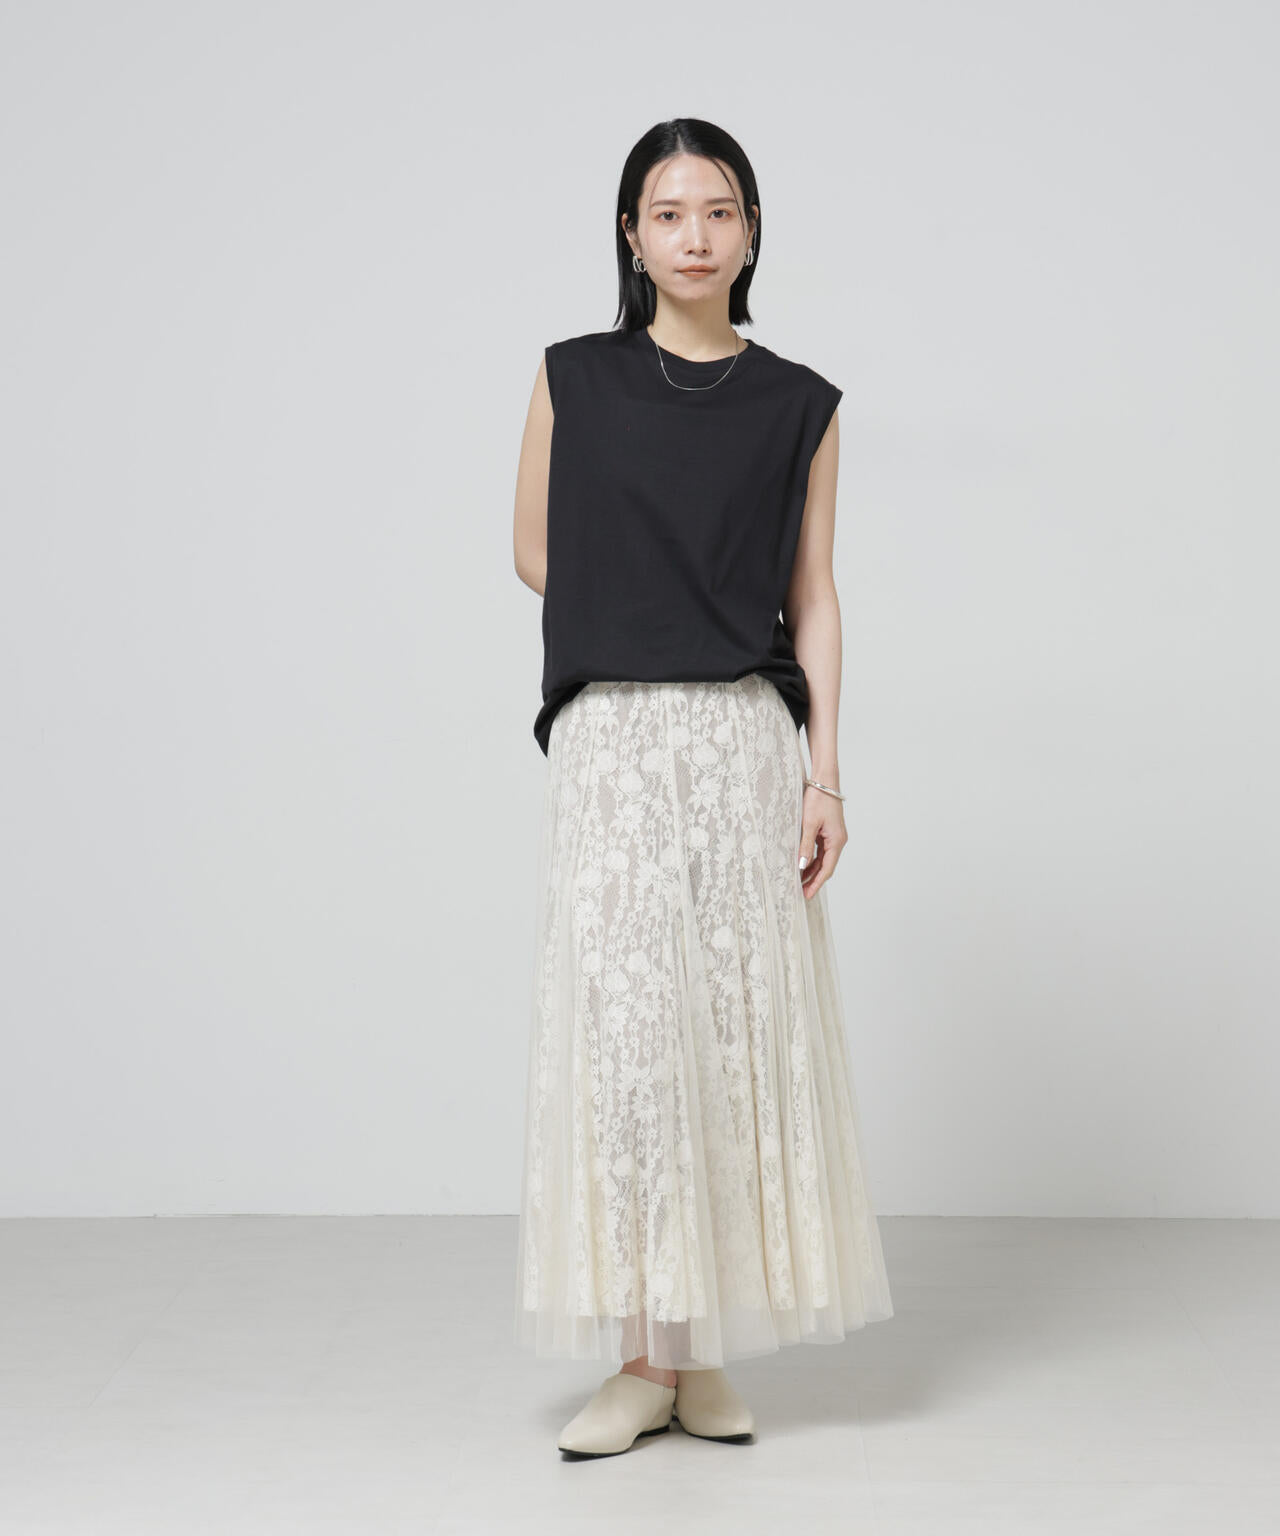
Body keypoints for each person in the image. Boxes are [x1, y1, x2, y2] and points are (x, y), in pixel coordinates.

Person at [511, 117, 894, 1459]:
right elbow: (532, 551)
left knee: (729, 1040)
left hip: (743, 744)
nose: (693, 234)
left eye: (718, 210)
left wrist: (825, 775)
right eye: (667, 212)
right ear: (631, 234)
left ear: (749, 231)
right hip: (616, 742)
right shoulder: (573, 376)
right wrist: (653, 609)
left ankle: (699, 1353)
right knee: (629, 1048)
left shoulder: (801, 403)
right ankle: (639, 1359)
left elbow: (813, 594)